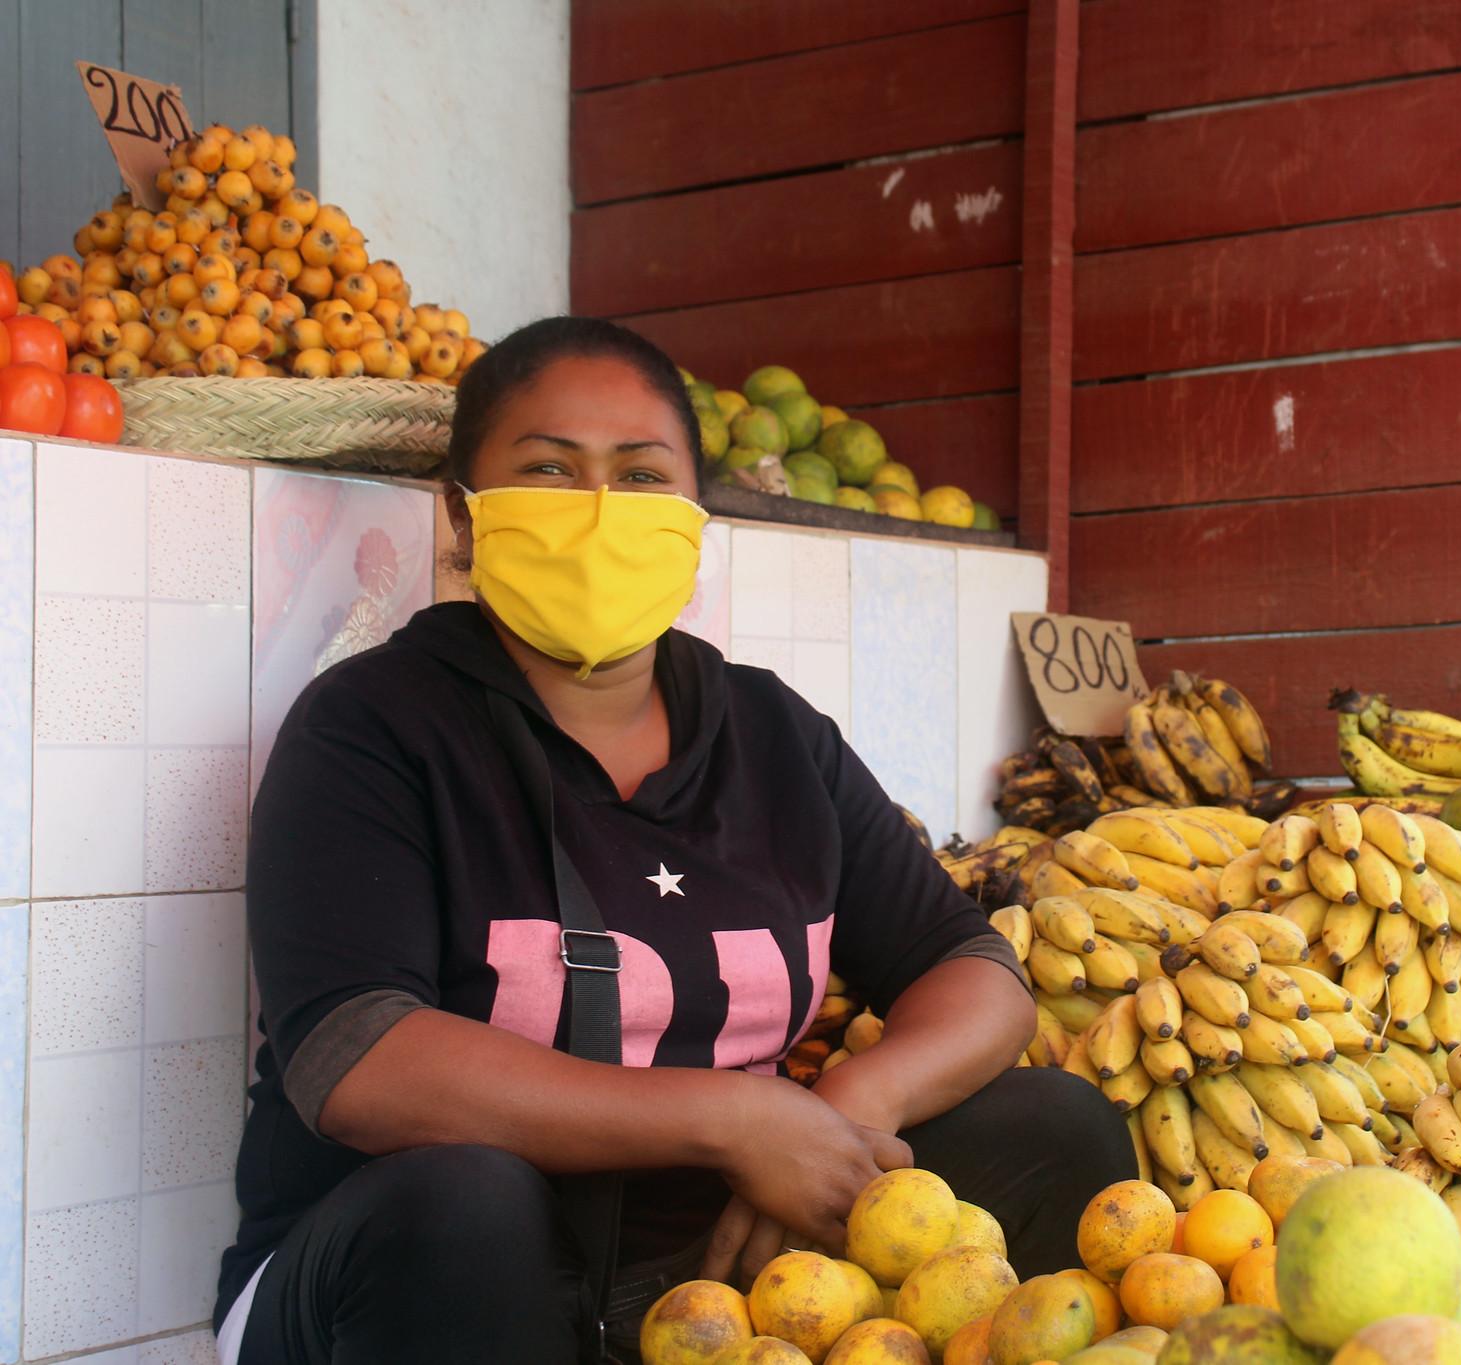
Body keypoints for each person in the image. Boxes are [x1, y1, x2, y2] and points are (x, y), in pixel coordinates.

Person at [215, 316, 1135, 1363]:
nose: (602, 509)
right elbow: (360, 1059)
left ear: (696, 517)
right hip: (412, 1292)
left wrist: (838, 1121)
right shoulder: (374, 727)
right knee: (460, 1202)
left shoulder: (772, 737)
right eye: (550, 470)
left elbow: (975, 975)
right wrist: (728, 1121)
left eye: (643, 476)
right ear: (462, 515)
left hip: (712, 1285)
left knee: (1052, 1129)